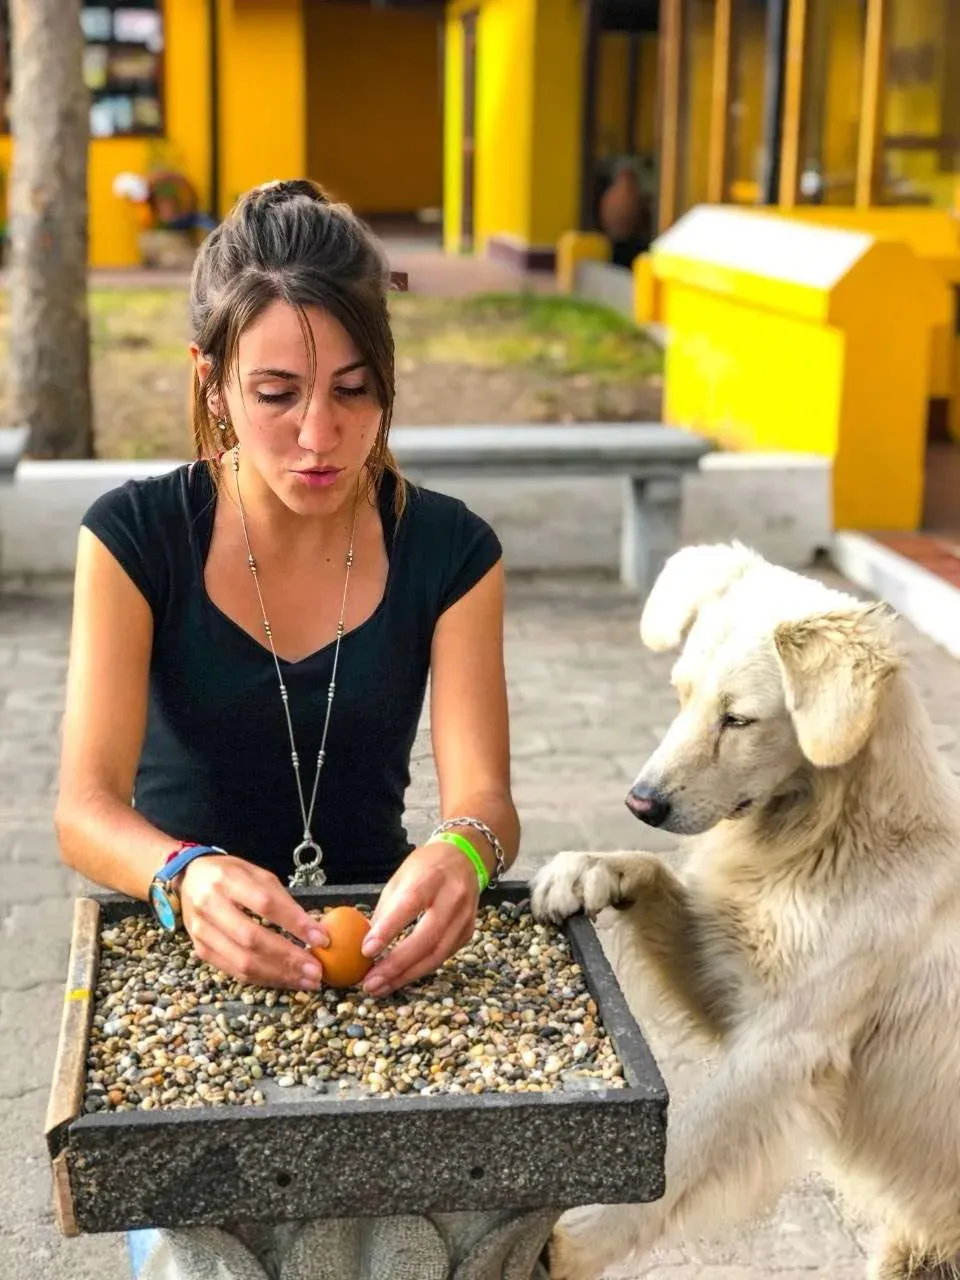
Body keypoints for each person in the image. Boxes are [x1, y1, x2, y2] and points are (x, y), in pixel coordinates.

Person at [55, 178, 519, 1000]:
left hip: (382, 951)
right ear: (211, 380)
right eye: (276, 395)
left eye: (353, 389)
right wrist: (184, 876)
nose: (318, 436)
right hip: (182, 940)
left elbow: (484, 799)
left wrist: (465, 852)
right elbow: (84, 811)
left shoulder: (453, 551)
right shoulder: (133, 537)